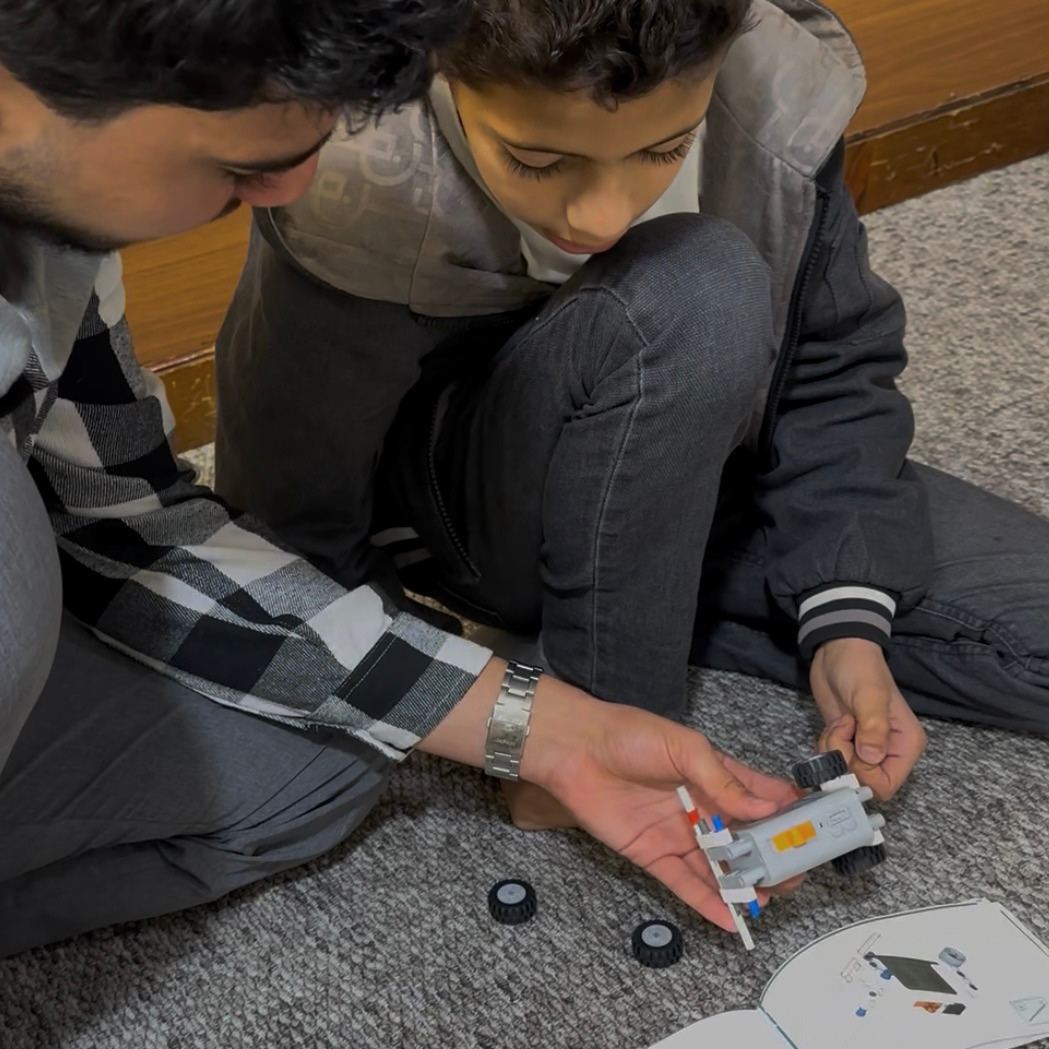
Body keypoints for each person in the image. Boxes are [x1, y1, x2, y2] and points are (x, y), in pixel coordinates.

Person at [0, 0, 802, 960]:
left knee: (325, 761)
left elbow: (125, 517)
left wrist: (542, 729)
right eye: (239, 165)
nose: (291, 187)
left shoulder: (53, 232)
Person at [215, 0, 1049, 827]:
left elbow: (834, 358)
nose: (600, 215)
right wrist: (504, 715)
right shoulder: (358, 175)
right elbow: (289, 521)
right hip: (481, 516)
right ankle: (613, 683)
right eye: (538, 159)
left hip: (707, 465)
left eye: (664, 148)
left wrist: (846, 622)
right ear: (444, 70)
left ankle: (648, 590)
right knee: (697, 284)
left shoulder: (771, 92)